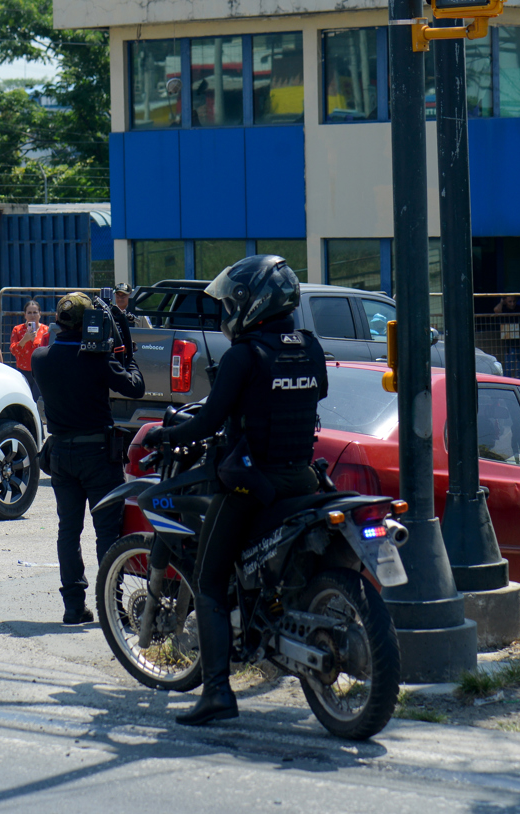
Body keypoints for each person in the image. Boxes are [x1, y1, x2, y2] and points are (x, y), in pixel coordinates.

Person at [142, 255, 327, 726]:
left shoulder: (243, 355)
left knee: (207, 580)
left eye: (231, 302)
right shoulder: (309, 346)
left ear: (252, 304)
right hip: (302, 478)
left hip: (251, 483)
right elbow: (312, 395)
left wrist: (161, 436)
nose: (227, 311)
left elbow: (207, 421)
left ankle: (219, 691)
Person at [32, 293, 145, 625]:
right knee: (107, 531)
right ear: (89, 325)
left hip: (61, 453)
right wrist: (126, 352)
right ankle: (112, 604)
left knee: (68, 530)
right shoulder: (97, 359)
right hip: (97, 454)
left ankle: (73, 606)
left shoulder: (40, 358)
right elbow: (135, 388)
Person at [9, 299, 51, 400]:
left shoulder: (46, 330)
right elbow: (13, 350)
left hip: (40, 371)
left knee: (38, 400)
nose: (32, 315)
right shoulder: (18, 330)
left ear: (40, 314)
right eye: (29, 312)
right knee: (24, 399)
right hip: (23, 371)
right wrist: (24, 340)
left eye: (35, 312)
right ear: (25, 315)